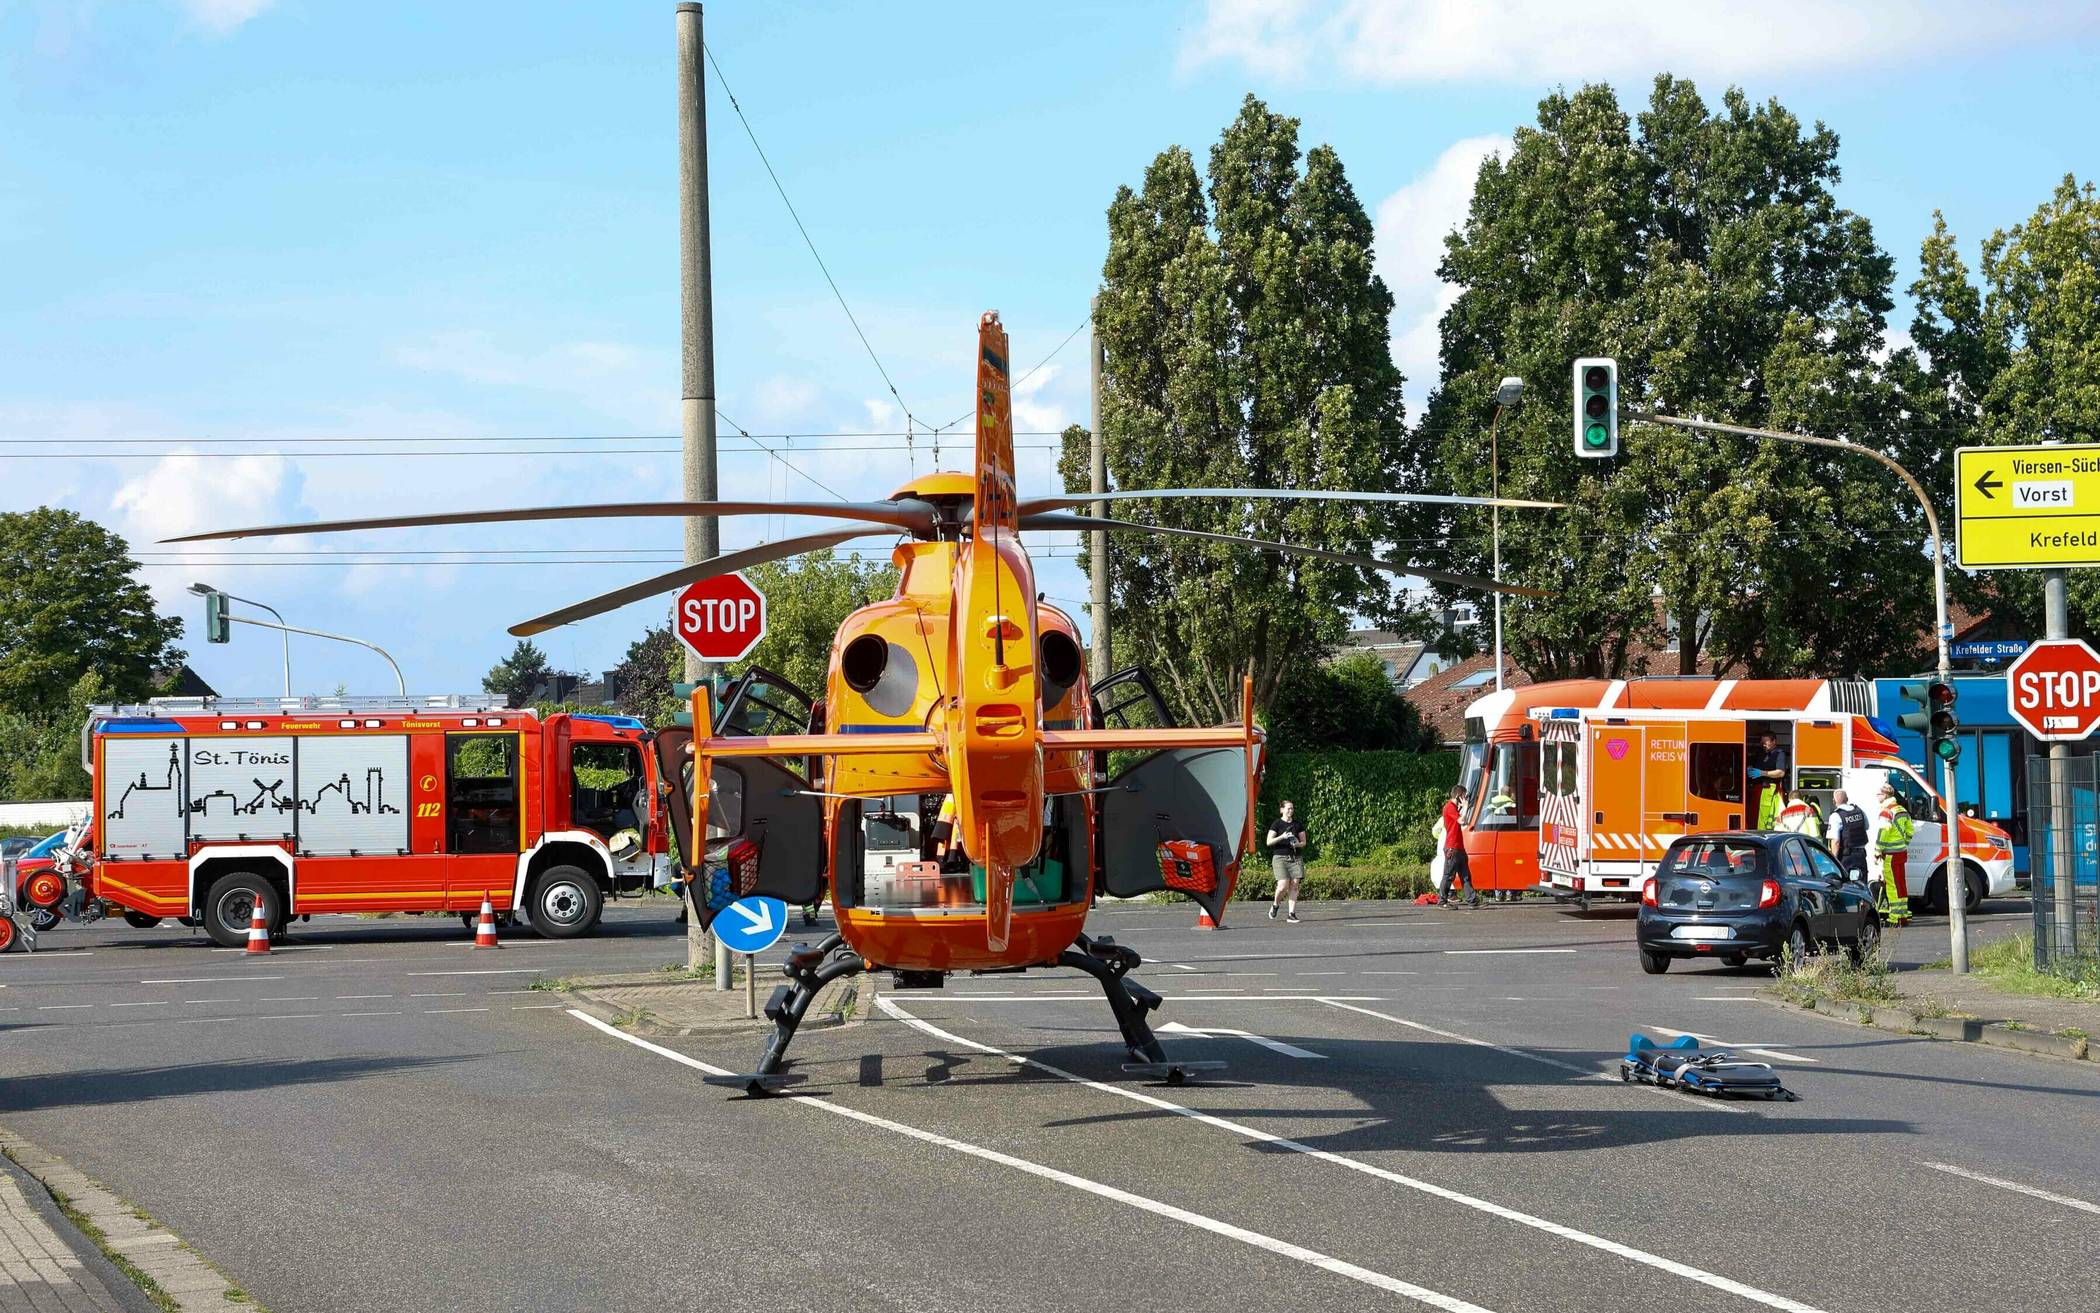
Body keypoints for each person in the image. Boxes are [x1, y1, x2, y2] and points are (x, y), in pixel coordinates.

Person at [1874, 782, 1915, 925]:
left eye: (1878, 794)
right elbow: (1910, 831)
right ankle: (1904, 914)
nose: (1877, 797)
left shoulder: (1886, 811)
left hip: (1890, 854)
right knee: (1901, 883)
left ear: (1885, 795)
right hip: (1901, 852)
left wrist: (1877, 850)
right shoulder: (1901, 809)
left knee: (1892, 885)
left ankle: (1895, 917)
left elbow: (1883, 833)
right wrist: (1903, 843)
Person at [1438, 785, 1480, 908]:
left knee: (1465, 875)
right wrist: (1465, 807)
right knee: (1448, 875)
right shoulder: (1449, 807)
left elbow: (1464, 821)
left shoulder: (1454, 808)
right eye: (1464, 796)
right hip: (1452, 847)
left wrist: (1463, 809)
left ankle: (1472, 900)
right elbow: (1462, 821)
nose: (1465, 799)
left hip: (1458, 847)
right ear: (1458, 796)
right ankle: (1442, 901)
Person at [1266, 801, 1306, 923]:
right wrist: (1282, 837)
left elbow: (1304, 842)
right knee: (1283, 885)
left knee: (1294, 885)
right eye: (1288, 808)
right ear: (1282, 810)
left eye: (1292, 809)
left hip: (1295, 858)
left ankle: (1291, 914)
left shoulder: (1297, 825)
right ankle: (1275, 905)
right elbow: (1269, 842)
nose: (1291, 811)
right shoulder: (1276, 824)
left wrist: (1297, 844)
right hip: (1280, 858)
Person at [1828, 789, 1870, 883]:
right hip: (1861, 855)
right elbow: (1866, 827)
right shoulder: (1859, 811)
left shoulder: (1836, 816)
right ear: (1847, 799)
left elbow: (1836, 842)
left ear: (1834, 801)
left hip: (1846, 857)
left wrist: (1834, 861)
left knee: (1846, 886)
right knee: (1862, 884)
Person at [1747, 731, 1787, 829]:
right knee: (1754, 818)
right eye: (1762, 742)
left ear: (1774, 742)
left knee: (1767, 818)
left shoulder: (1779, 754)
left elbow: (1781, 772)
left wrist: (1762, 773)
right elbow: (1751, 764)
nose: (1764, 744)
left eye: (1766, 742)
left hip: (1771, 789)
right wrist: (1749, 768)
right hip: (1758, 789)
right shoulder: (1760, 753)